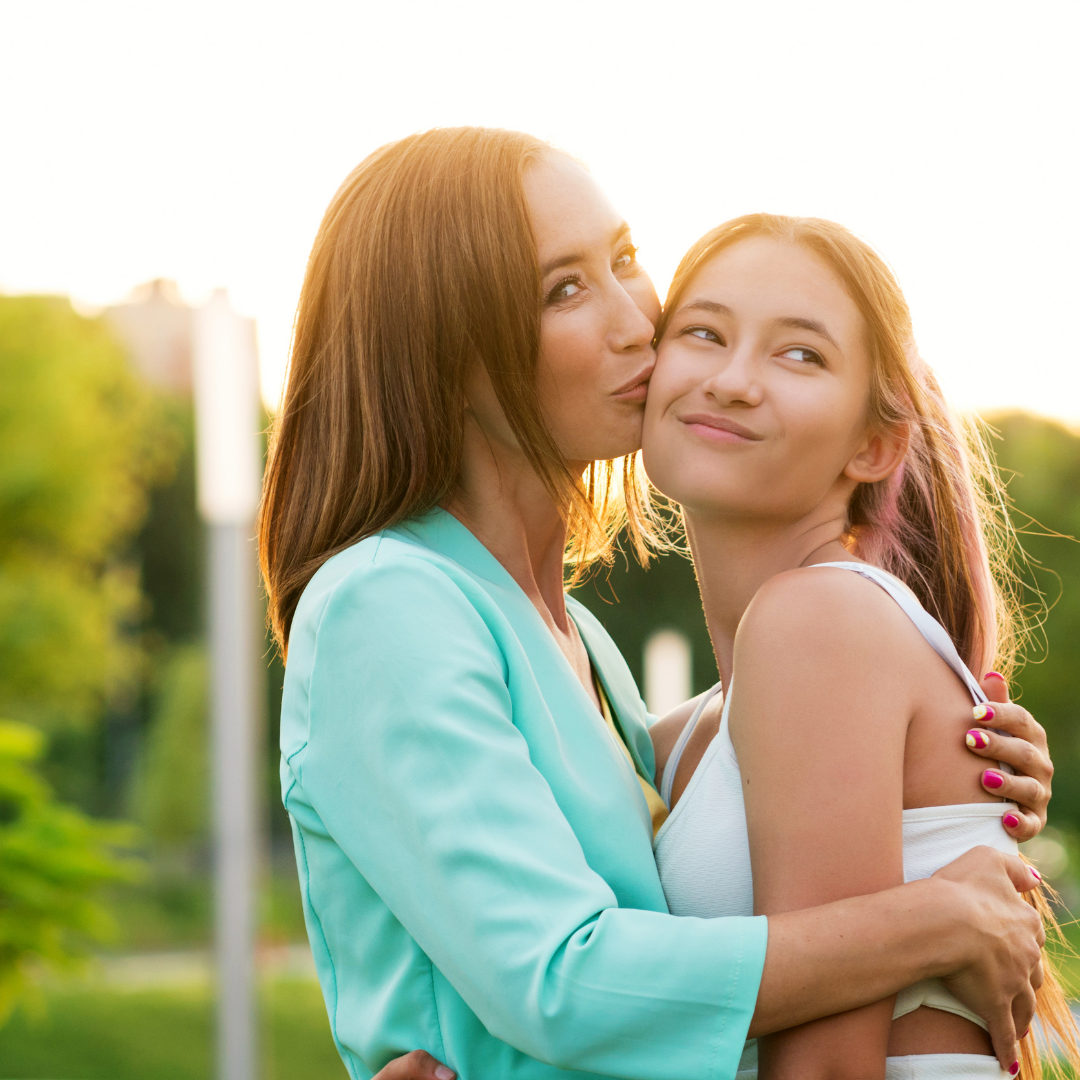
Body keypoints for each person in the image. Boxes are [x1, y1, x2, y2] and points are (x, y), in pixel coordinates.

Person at [258, 128, 1052, 1080]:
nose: (639, 318)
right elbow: (561, 978)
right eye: (565, 289)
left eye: (626, 260)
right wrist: (932, 917)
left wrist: (944, 759)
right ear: (445, 354)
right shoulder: (386, 602)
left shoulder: (580, 638)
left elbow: (747, 762)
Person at [644, 214, 1075, 1079]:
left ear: (875, 445)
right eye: (702, 333)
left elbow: (825, 1069)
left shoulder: (821, 621)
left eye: (798, 354)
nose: (732, 380)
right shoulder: (676, 738)